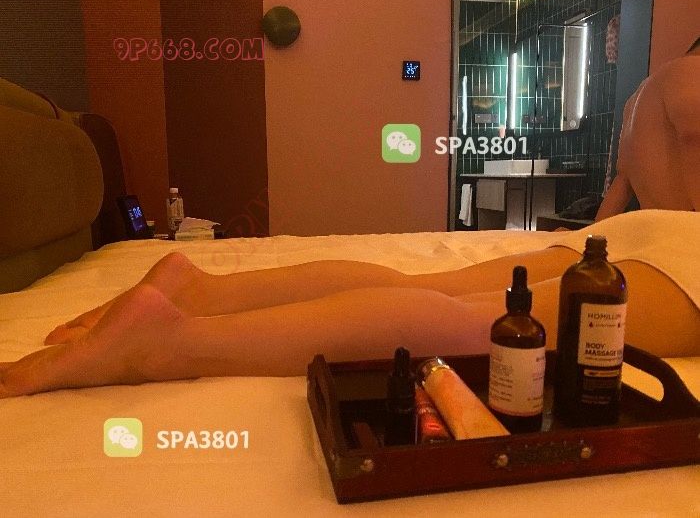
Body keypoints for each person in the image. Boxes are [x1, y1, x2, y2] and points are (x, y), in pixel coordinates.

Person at [0, 210, 698, 398]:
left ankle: (202, 291)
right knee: (482, 327)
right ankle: (172, 341)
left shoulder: (654, 94)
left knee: (443, 288)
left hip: (657, 225)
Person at [595, 37, 700, 221]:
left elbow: (622, 182)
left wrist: (592, 234)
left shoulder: (636, 99)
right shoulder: (691, 70)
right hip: (686, 232)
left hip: (659, 230)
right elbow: (693, 137)